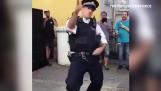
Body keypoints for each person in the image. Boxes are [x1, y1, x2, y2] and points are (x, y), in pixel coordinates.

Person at [66, 0, 107, 91]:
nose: (90, 11)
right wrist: (76, 13)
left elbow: (104, 41)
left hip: (93, 58)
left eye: (92, 9)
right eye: (88, 8)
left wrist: (101, 48)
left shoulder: (95, 25)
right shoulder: (74, 21)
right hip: (78, 58)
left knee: (98, 82)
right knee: (71, 85)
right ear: (82, 8)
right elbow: (70, 27)